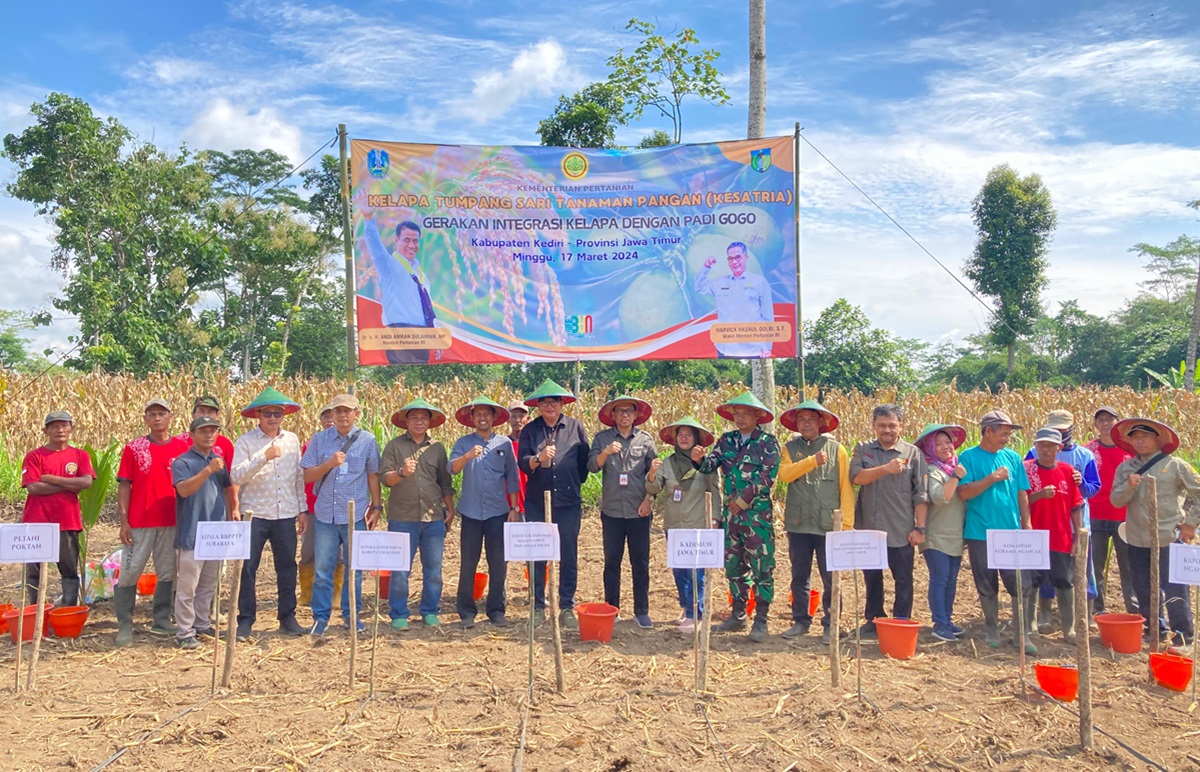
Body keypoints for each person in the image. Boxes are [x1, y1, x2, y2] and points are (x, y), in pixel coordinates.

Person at [695, 391, 780, 643]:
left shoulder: (767, 442)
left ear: (757, 416)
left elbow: (768, 476)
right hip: (731, 517)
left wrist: (744, 500)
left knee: (762, 567)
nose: (740, 418)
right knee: (734, 566)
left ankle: (761, 620)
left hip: (757, 517)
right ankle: (738, 614)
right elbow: (710, 466)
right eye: (737, 414)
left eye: (745, 414)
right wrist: (699, 460)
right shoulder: (727, 440)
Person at [1110, 418, 1200, 645]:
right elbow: (1116, 501)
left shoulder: (1175, 465)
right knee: (1143, 587)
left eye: (1145, 437)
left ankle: (1182, 635)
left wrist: (1191, 523)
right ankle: (1154, 629)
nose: (1139, 441)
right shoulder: (1125, 469)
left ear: (1158, 439)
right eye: (1135, 437)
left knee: (1174, 589)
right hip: (1137, 538)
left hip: (1169, 536)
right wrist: (1128, 486)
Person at [300, 393, 382, 636]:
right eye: (338, 411)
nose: (343, 415)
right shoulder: (319, 440)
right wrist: (328, 464)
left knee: (354, 570)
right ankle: (321, 618)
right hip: (325, 514)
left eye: (348, 411)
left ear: (357, 413)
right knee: (323, 570)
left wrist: (376, 507)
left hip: (355, 514)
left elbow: (373, 475)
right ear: (332, 415)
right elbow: (307, 476)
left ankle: (351, 616)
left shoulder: (367, 440)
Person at [114, 399, 191, 646]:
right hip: (140, 521)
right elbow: (124, 485)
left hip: (172, 520)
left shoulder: (182, 448)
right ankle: (125, 625)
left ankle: (161, 620)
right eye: (152, 414)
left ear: (171, 417)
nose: (157, 418)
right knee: (130, 571)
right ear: (145, 419)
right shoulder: (134, 448)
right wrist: (124, 521)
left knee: (168, 571)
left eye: (162, 413)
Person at [957, 410, 1035, 653]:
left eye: (1008, 434)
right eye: (1003, 434)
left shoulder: (1012, 457)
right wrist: (992, 477)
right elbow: (964, 492)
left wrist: (1027, 524)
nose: (1006, 438)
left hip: (1010, 532)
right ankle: (992, 628)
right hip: (980, 531)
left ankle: (1021, 634)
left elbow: (1022, 492)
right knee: (986, 582)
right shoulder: (968, 457)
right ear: (987, 431)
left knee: (1019, 583)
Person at [776, 400, 854, 644]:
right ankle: (801, 621)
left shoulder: (837, 449)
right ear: (796, 424)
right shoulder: (789, 448)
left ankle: (832, 624)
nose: (806, 423)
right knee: (799, 575)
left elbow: (846, 488)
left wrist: (847, 525)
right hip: (798, 523)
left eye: (811, 419)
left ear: (821, 423)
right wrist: (811, 461)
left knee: (831, 577)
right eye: (801, 419)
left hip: (828, 524)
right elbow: (785, 475)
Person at [232, 387, 306, 641]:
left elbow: (298, 478)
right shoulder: (245, 442)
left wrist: (302, 509)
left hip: (285, 512)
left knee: (287, 567)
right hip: (254, 513)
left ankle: (287, 617)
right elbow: (237, 475)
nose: (272, 418)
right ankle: (246, 620)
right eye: (267, 414)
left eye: (277, 413)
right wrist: (263, 457)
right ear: (258, 416)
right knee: (247, 567)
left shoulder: (292, 440)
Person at [516, 379, 590, 630]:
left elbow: (583, 464)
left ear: (561, 404)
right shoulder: (530, 430)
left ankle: (566, 606)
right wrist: (539, 458)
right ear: (538, 405)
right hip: (538, 501)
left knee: (568, 554)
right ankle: (537, 606)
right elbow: (523, 463)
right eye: (545, 402)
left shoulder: (575, 427)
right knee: (538, 554)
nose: (550, 406)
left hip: (568, 502)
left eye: (554, 401)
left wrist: (570, 481)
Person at [850, 404, 928, 636]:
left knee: (903, 579)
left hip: (901, 529)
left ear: (900, 426)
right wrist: (885, 468)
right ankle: (874, 619)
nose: (887, 430)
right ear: (873, 425)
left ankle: (901, 621)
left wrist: (920, 528)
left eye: (892, 425)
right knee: (872, 578)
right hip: (869, 528)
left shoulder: (913, 453)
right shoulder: (863, 449)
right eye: (882, 425)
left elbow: (921, 494)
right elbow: (857, 478)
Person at [380, 398, 455, 630]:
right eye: (414, 418)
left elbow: (444, 482)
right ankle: (399, 613)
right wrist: (402, 472)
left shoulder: (437, 448)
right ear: (406, 421)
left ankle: (430, 611)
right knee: (401, 570)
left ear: (430, 422)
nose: (419, 422)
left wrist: (450, 509)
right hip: (402, 517)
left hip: (433, 517)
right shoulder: (394, 446)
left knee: (433, 569)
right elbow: (385, 479)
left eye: (424, 418)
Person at [1023, 410, 1100, 632]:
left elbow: (1079, 504)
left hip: (1061, 535)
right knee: (1034, 581)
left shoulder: (1072, 467)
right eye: (1041, 445)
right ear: (1036, 446)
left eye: (1051, 445)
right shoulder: (1026, 466)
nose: (1045, 449)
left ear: (1060, 447)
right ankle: (1033, 625)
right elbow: (1019, 499)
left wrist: (1077, 535)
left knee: (1065, 580)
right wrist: (1039, 495)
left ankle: (1071, 627)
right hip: (1034, 535)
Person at [589, 395, 660, 629]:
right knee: (612, 562)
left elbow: (656, 475)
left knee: (640, 562)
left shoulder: (645, 440)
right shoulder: (603, 439)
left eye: (629, 411)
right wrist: (606, 452)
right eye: (619, 411)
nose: (625, 415)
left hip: (638, 511)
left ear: (635, 415)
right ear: (613, 415)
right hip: (611, 511)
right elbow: (592, 467)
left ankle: (642, 611)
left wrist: (649, 500)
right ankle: (612, 608)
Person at [449, 397, 520, 628]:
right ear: (472, 419)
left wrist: (513, 507)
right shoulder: (463, 443)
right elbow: (452, 469)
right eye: (478, 414)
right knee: (469, 562)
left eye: (486, 414)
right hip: (470, 512)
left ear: (493, 418)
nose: (482, 418)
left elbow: (512, 477)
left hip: (498, 512)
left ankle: (496, 610)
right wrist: (467, 456)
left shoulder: (504, 444)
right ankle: (466, 612)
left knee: (498, 562)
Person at [645, 417, 720, 634]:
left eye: (689, 435)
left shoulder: (705, 464)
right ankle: (686, 606)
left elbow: (715, 491)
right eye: (681, 435)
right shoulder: (667, 463)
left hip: (698, 524)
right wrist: (651, 473)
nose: (684, 438)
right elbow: (653, 488)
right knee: (679, 570)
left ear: (697, 439)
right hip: (674, 524)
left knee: (696, 571)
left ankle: (696, 613)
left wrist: (715, 519)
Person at [172, 415, 236, 649]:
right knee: (187, 586)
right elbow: (184, 490)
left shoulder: (218, 461)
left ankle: (201, 623)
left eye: (213, 430)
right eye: (203, 431)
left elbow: (228, 492)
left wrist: (230, 521)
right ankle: (184, 632)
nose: (209, 435)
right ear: (192, 435)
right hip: (192, 533)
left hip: (215, 532)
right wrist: (207, 470)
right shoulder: (183, 462)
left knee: (208, 584)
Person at [20, 411, 95, 606]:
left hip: (67, 521)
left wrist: (52, 479)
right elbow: (34, 487)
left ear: (71, 428)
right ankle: (36, 609)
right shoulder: (35, 456)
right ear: (45, 431)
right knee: (34, 570)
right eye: (54, 426)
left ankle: (68, 608)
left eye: (64, 425)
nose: (60, 430)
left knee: (69, 569)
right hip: (37, 521)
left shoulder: (80, 455)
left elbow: (86, 482)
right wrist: (71, 484)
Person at [914, 424, 968, 642]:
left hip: (955, 534)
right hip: (936, 535)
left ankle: (947, 619)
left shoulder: (955, 467)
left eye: (948, 442)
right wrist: (955, 477)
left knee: (952, 580)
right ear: (930, 448)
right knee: (940, 578)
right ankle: (939, 624)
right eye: (938, 443)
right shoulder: (932, 470)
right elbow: (940, 497)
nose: (945, 446)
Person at [363, 217, 437, 365]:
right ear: (396, 241)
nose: (411, 245)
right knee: (404, 379)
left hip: (422, 336)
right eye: (406, 240)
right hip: (400, 333)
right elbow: (374, 246)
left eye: (415, 241)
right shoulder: (389, 265)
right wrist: (368, 218)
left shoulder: (422, 276)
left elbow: (428, 309)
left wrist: (436, 338)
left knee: (420, 381)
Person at [1085, 406, 1137, 615]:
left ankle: (1134, 609)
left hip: (1124, 516)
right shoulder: (1088, 450)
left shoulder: (1131, 450)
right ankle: (1096, 609)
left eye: (1110, 419)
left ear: (1118, 423)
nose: (1106, 423)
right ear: (1096, 424)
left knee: (1128, 567)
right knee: (1094, 565)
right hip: (1095, 515)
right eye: (1101, 420)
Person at [693, 241, 775, 358]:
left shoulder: (759, 282)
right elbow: (699, 287)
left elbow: (767, 316)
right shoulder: (720, 282)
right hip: (725, 349)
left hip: (753, 349)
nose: (734, 262)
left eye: (738, 257)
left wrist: (767, 347)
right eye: (730, 259)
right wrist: (706, 267)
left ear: (746, 258)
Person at [299, 404, 339, 607]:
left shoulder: (350, 442)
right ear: (321, 420)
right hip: (313, 507)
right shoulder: (311, 444)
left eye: (333, 415)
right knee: (308, 552)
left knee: (337, 553)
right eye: (326, 416)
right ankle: (307, 593)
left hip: (338, 508)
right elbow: (303, 478)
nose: (329, 419)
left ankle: (336, 596)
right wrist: (302, 509)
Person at [507, 402, 529, 516]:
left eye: (521, 416)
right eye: (514, 416)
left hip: (531, 504)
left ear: (528, 419)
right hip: (508, 506)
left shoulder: (534, 444)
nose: (517, 420)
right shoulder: (503, 444)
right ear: (508, 419)